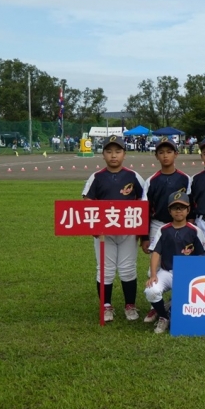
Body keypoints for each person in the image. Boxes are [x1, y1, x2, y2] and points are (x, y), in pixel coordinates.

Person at [81, 135, 146, 322]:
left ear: (124, 154)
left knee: (128, 269)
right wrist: (94, 227)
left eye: (118, 151)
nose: (113, 155)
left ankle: (130, 305)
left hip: (128, 231)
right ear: (103, 155)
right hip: (104, 233)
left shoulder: (133, 176)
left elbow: (144, 202)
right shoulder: (96, 177)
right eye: (109, 151)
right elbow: (87, 201)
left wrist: (141, 232)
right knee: (105, 270)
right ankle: (106, 305)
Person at [144, 192, 205, 333]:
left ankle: (172, 305)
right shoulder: (163, 230)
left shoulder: (195, 231)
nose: (178, 211)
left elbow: (202, 255)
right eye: (175, 208)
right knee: (151, 291)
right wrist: (153, 274)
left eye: (182, 207)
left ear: (188, 210)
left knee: (185, 306)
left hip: (188, 275)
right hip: (167, 272)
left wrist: (198, 276)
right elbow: (156, 253)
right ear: (169, 211)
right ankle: (163, 316)